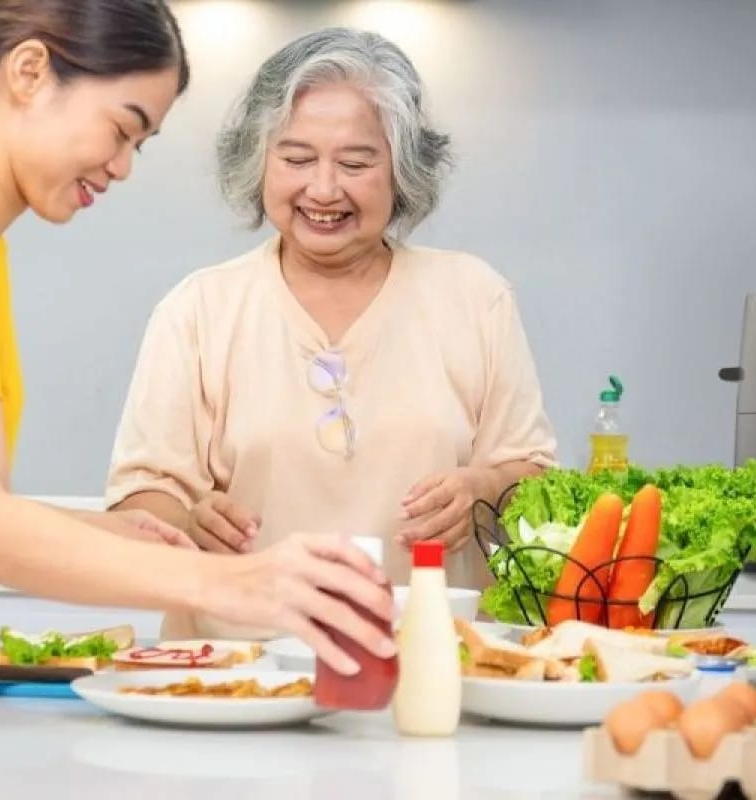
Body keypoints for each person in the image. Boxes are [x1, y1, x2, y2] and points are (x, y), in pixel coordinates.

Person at [0, 2, 393, 746]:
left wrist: (109, 533)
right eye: (122, 128)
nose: (120, 167)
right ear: (29, 72)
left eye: (138, 146)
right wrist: (233, 584)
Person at [107, 27, 557, 639]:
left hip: (431, 655)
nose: (323, 189)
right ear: (258, 162)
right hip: (235, 668)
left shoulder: (476, 298)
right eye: (295, 159)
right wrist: (187, 518)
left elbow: (531, 477)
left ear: (401, 170)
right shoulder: (198, 309)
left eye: (355, 162)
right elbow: (140, 496)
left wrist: (483, 486)